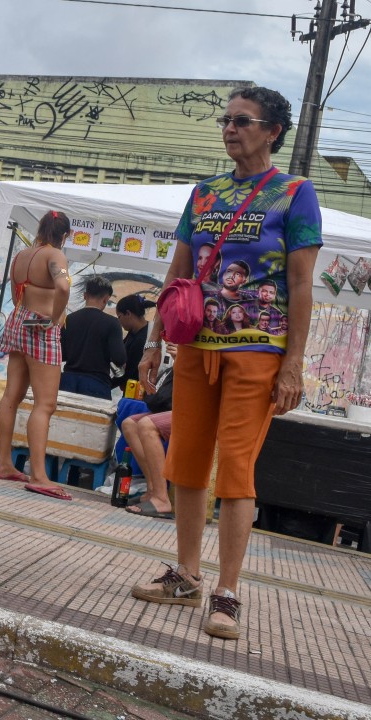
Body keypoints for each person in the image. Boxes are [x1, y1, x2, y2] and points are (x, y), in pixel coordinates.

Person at [131, 87, 321, 641]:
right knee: (186, 461)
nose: (230, 128)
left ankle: (228, 592)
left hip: (259, 350)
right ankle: (187, 576)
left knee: (236, 468)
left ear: (272, 131)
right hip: (196, 349)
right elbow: (179, 270)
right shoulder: (205, 193)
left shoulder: (295, 193)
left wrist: (294, 363)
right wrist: (154, 342)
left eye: (243, 120)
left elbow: (302, 282)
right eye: (227, 119)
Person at [0, 211, 72, 500]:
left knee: (11, 396)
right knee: (44, 404)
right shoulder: (56, 256)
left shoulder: (22, 255)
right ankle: (39, 475)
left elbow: (16, 293)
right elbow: (63, 286)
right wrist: (56, 315)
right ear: (64, 235)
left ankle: (4, 464)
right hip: (41, 327)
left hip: (18, 320)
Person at [122, 343, 177, 519]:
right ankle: (153, 490)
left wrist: (183, 358)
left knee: (146, 424)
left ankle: (162, 499)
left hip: (199, 411)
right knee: (129, 424)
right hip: (180, 407)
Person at [59, 275, 125, 399]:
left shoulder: (69, 320)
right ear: (106, 299)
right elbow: (119, 358)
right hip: (96, 384)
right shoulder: (112, 323)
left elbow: (61, 354)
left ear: (85, 295)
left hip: (67, 381)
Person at [114, 294, 155, 395]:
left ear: (128, 313)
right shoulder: (133, 333)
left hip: (139, 393)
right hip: (130, 389)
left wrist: (106, 385)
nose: (119, 321)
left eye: (119, 317)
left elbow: (129, 372)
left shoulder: (143, 338)